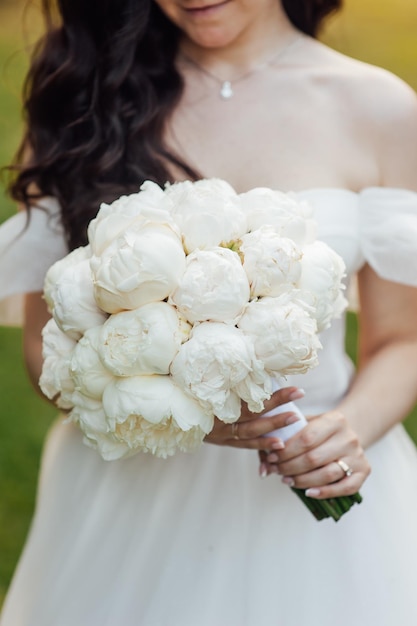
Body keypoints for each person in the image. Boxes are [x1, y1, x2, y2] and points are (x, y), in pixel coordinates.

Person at [1, 0, 417, 624]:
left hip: (312, 477)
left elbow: (402, 338)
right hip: (128, 494)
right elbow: (44, 351)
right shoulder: (87, 95)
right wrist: (173, 415)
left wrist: (350, 428)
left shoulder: (378, 107)